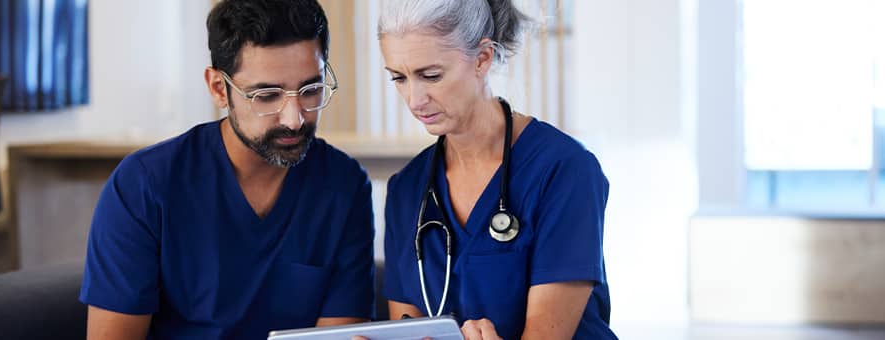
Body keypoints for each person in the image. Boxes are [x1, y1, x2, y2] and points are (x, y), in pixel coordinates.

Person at [79, 1, 375, 338]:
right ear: (219, 89)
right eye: (267, 95)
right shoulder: (144, 185)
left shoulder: (344, 186)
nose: (294, 118)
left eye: (311, 90)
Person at [377, 0, 617, 339]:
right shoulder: (407, 189)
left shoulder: (564, 171)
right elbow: (409, 329)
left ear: (482, 58)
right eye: (399, 78)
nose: (414, 100)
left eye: (430, 76)